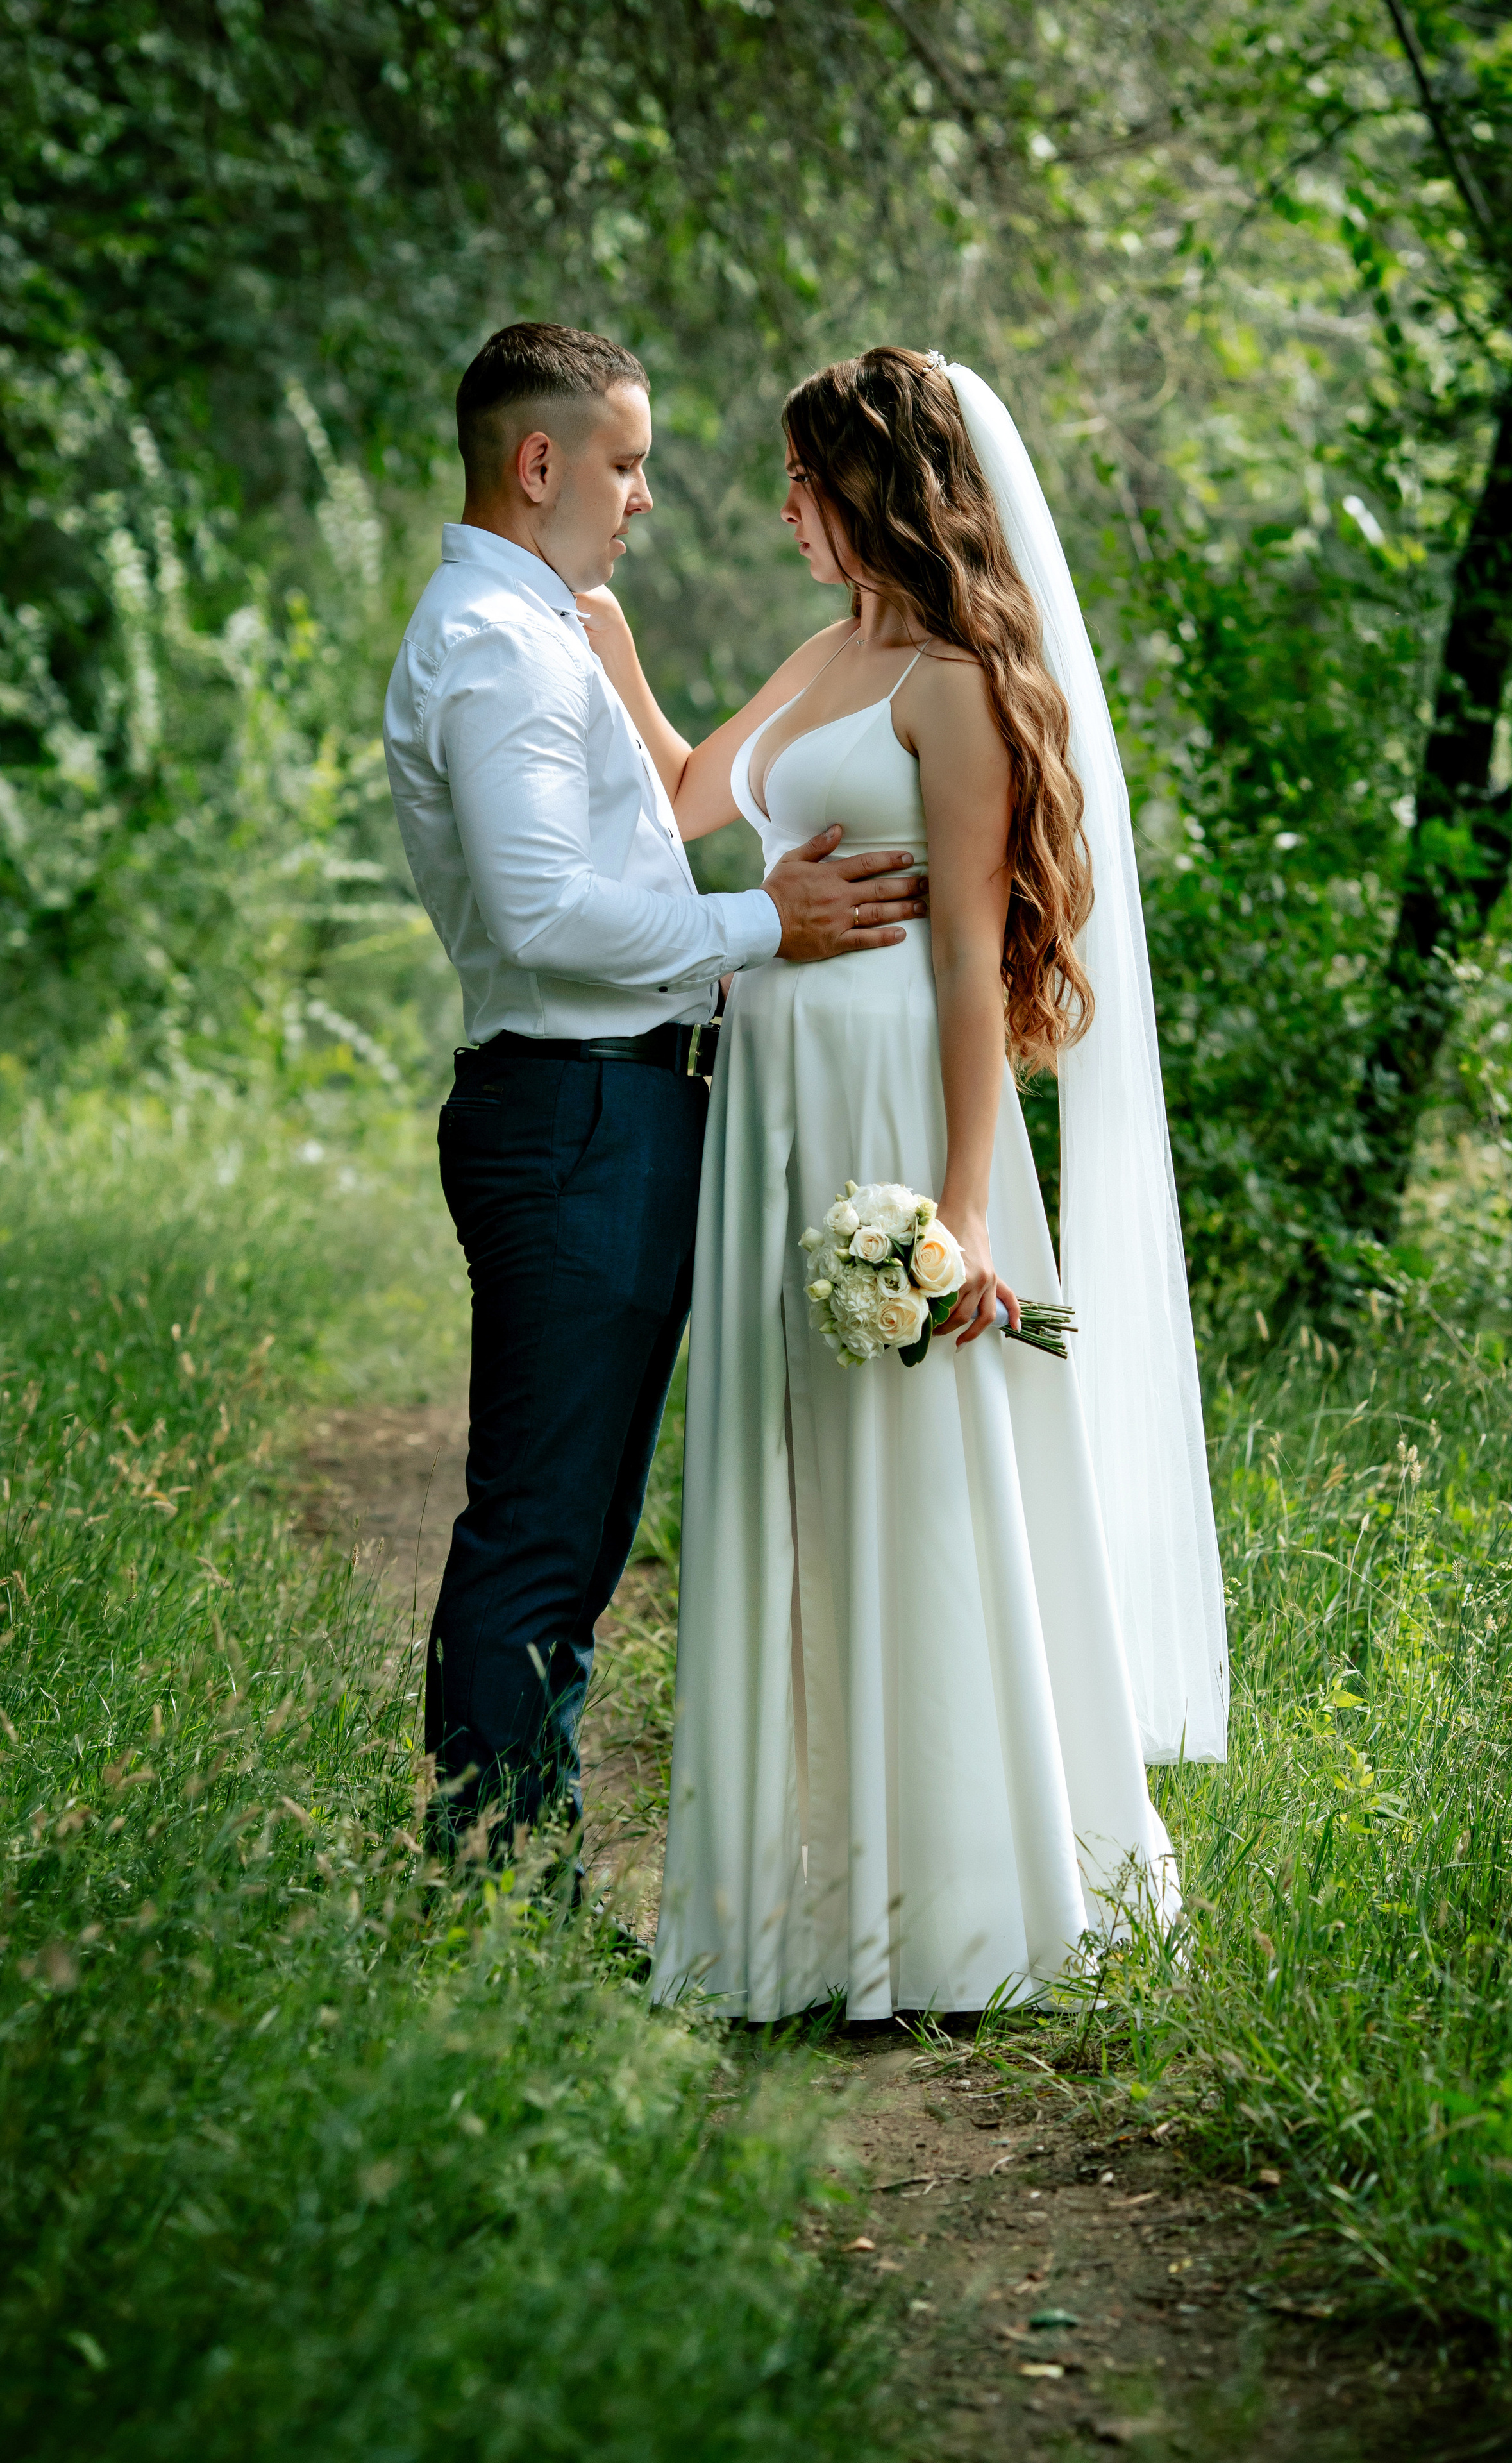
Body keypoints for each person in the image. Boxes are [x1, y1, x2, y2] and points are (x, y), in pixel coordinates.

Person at [582, 348, 1228, 2019]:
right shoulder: (826, 653)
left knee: (914, 1479)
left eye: (804, 479)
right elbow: (684, 797)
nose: (785, 508)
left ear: (871, 482)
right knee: (791, 1474)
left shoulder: (950, 681)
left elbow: (967, 970)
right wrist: (615, 650)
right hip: (780, 1094)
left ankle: (959, 1907)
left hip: (896, 1108)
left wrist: (958, 1213)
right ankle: (805, 1905)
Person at [382, 323, 928, 1863]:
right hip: (572, 1117)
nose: (642, 498)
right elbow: (550, 914)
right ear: (538, 462)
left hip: (611, 1107)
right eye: (624, 463)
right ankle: (490, 1892)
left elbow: (635, 840)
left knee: (576, 1527)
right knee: (543, 1529)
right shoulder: (492, 647)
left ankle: (514, 1879)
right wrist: (769, 923)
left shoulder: (542, 631)